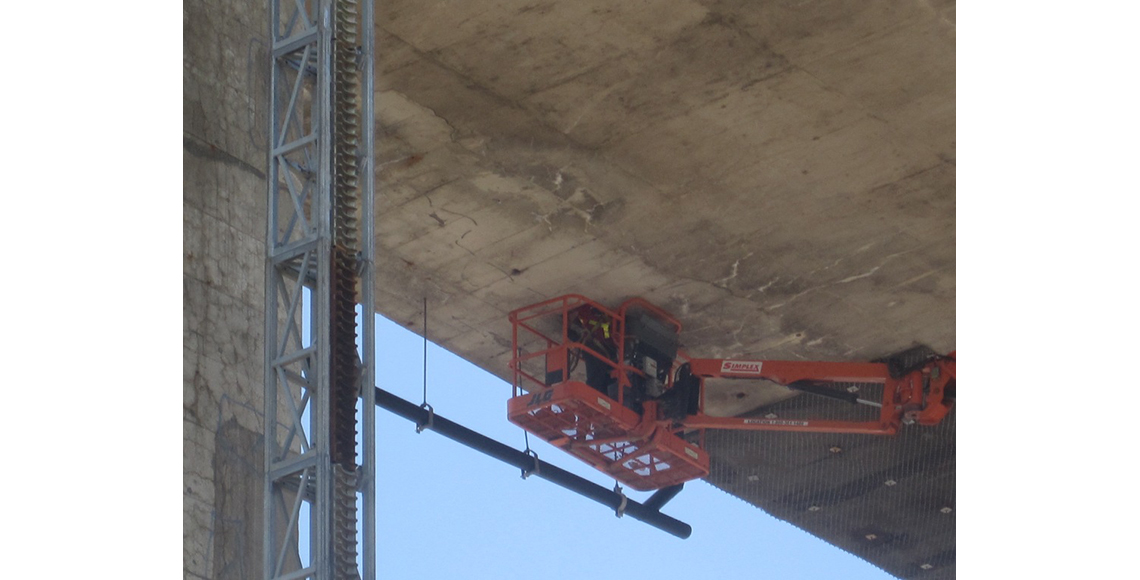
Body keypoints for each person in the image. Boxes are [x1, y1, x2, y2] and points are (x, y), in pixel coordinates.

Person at [569, 305, 617, 396]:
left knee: (597, 381)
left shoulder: (592, 323)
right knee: (597, 381)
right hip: (604, 355)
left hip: (602, 354)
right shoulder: (599, 326)